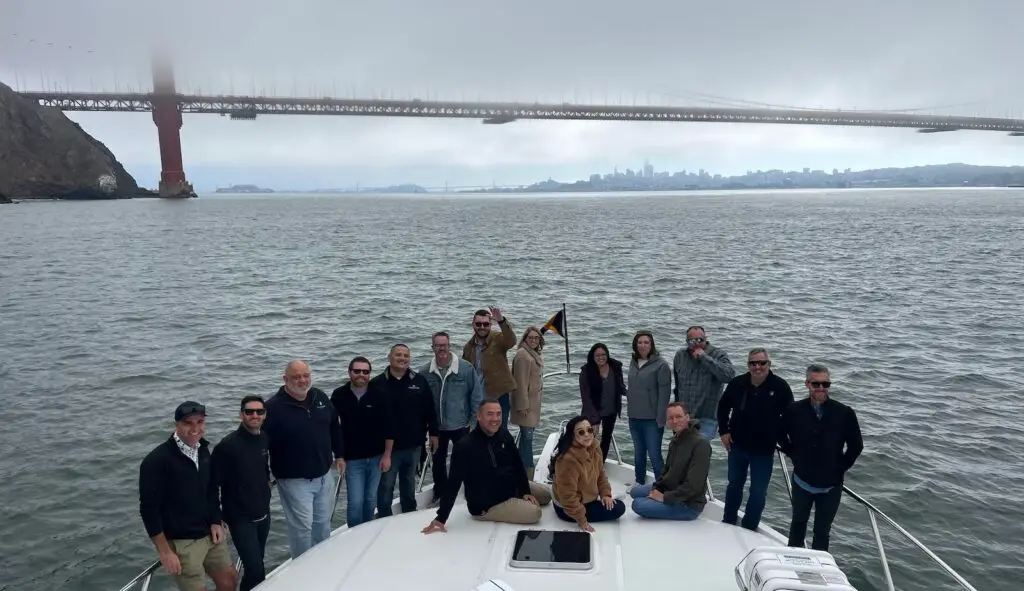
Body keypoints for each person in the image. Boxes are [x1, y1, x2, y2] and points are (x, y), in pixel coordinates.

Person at [139, 401, 238, 591]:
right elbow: (148, 510)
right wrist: (165, 552)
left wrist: (216, 520)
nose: (195, 429)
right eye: (188, 423)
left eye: (200, 422)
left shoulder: (203, 450)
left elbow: (210, 490)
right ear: (176, 425)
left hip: (210, 534)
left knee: (230, 580)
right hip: (182, 542)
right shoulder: (156, 461)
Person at [421, 400, 552, 534]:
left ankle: (519, 497)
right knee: (535, 513)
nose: (495, 419)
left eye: (498, 414)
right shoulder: (465, 446)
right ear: (479, 416)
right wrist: (441, 517)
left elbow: (517, 464)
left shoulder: (503, 435)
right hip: (488, 505)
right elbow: (453, 483)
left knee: (547, 496)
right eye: (489, 414)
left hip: (510, 487)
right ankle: (514, 503)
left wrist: (525, 491)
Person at [263, 360, 345, 559]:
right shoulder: (272, 408)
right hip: (294, 481)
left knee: (323, 523)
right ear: (285, 379)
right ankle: (302, 568)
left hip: (324, 475)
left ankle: (322, 562)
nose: (302, 380)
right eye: (296, 377)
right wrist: (264, 475)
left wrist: (340, 454)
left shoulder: (320, 396)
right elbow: (261, 447)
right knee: (301, 529)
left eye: (305, 375)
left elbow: (334, 425)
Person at [779, 363, 863, 551]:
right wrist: (793, 454)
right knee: (798, 523)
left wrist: (840, 467)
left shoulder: (845, 413)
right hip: (802, 481)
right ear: (807, 384)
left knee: (822, 530)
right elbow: (780, 433)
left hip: (831, 485)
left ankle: (818, 568)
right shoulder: (794, 410)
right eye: (816, 384)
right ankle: (794, 561)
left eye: (826, 384)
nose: (821, 389)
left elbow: (856, 445)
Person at [717, 347, 794, 531]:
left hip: (764, 450)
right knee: (734, 485)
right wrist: (724, 431)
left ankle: (749, 527)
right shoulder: (738, 383)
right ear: (748, 365)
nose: (757, 367)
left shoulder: (780, 387)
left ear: (769, 364)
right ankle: (728, 521)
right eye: (753, 363)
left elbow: (791, 418)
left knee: (758, 492)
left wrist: (790, 445)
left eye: (762, 363)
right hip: (737, 445)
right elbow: (722, 407)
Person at [210, 396, 271, 591]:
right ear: (241, 415)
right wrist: (216, 518)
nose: (255, 415)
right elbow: (211, 486)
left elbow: (263, 469)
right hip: (240, 519)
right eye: (249, 412)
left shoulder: (264, 438)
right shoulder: (227, 446)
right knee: (256, 570)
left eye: (259, 412)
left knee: (258, 562)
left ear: (264, 415)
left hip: (263, 514)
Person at [371, 344, 438, 516]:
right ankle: (383, 517)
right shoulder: (377, 384)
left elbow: (430, 410)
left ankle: (409, 515)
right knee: (386, 485)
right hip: (387, 449)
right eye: (398, 355)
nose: (402, 358)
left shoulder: (419, 381)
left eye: (406, 355)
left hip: (414, 444)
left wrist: (434, 434)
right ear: (389, 357)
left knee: (408, 483)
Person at [420, 331, 484, 505]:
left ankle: (471, 491)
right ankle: (440, 493)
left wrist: (472, 422)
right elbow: (422, 402)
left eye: (444, 345)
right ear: (432, 347)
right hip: (437, 428)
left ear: (449, 346)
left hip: (461, 425)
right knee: (438, 462)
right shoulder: (425, 372)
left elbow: (476, 396)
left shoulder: (465, 368)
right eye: (437, 345)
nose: (441, 348)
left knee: (466, 460)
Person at [331, 356, 394, 527]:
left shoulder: (380, 394)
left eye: (365, 372)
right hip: (352, 460)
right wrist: (339, 456)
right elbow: (332, 428)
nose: (361, 375)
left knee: (370, 498)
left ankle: (367, 531)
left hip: (376, 457)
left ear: (369, 374)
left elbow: (390, 427)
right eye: (357, 371)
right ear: (350, 372)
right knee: (355, 501)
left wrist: (387, 455)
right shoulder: (338, 395)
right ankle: (354, 535)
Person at [630, 402, 711, 521]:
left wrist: (664, 498)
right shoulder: (675, 441)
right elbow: (666, 471)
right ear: (667, 422)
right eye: (671, 418)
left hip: (688, 504)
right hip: (671, 488)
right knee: (635, 492)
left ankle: (674, 508)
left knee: (637, 504)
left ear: (687, 417)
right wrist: (657, 488)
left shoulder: (701, 444)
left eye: (678, 416)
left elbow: (694, 486)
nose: (675, 421)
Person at [549, 416, 626, 531]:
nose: (587, 434)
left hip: (586, 500)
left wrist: (605, 494)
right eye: (581, 432)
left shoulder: (595, 447)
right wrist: (581, 520)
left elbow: (600, 474)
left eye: (589, 430)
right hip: (567, 509)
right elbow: (567, 496)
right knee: (619, 508)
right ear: (573, 435)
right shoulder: (567, 460)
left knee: (616, 505)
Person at [672, 326, 736, 440]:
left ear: (705, 338)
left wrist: (704, 358)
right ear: (687, 342)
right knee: (682, 453)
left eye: (700, 340)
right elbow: (678, 387)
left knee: (699, 452)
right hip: (684, 417)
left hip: (707, 417)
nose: (696, 343)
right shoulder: (680, 356)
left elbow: (729, 376)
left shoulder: (718, 354)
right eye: (692, 341)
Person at [625, 330, 672, 485]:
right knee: (639, 453)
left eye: (646, 342)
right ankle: (639, 482)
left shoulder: (661, 365)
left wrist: (661, 419)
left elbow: (664, 395)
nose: (643, 345)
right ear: (635, 345)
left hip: (652, 420)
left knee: (654, 454)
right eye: (640, 342)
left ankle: (662, 486)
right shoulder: (633, 362)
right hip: (634, 416)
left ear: (651, 345)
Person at [462, 306, 517, 430]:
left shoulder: (498, 339)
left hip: (498, 395)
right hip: (477, 397)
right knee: (479, 430)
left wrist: (501, 321)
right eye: (478, 324)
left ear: (490, 324)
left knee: (499, 431)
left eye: (486, 324)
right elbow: (465, 371)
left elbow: (511, 341)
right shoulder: (468, 347)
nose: (482, 327)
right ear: (473, 324)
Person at [579, 342, 627, 461]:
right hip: (593, 411)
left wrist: (633, 394)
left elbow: (620, 386)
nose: (601, 357)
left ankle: (600, 465)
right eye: (597, 355)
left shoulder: (615, 366)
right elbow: (585, 397)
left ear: (607, 354)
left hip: (611, 410)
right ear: (592, 357)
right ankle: (584, 466)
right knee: (587, 440)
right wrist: (594, 420)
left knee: (606, 439)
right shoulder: (586, 371)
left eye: (603, 354)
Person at [511, 326, 545, 478]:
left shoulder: (532, 354)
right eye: (530, 338)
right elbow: (521, 383)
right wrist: (523, 406)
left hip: (532, 405)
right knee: (527, 440)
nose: (533, 340)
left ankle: (518, 470)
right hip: (526, 407)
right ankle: (528, 473)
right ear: (525, 338)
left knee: (526, 439)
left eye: (536, 338)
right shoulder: (523, 356)